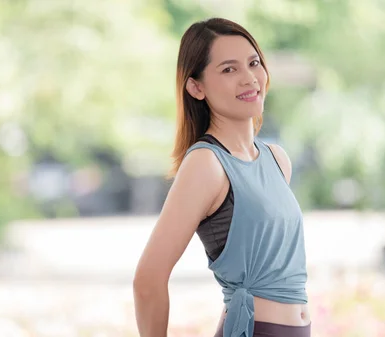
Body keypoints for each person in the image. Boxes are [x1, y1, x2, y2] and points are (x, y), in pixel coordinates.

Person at [133, 17, 312, 337]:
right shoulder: (206, 164)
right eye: (229, 69)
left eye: (254, 63)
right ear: (196, 87)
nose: (249, 78)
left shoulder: (276, 160)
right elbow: (148, 279)